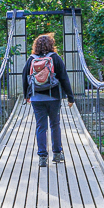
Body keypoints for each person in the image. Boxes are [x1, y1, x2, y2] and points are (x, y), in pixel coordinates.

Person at [24, 33, 74, 167]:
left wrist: (27, 95)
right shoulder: (55, 58)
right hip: (54, 97)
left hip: (36, 98)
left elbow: (25, 78)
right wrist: (70, 97)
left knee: (41, 126)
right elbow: (64, 78)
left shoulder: (31, 59)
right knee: (54, 125)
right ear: (51, 45)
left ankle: (42, 157)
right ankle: (57, 154)